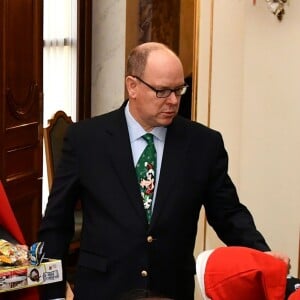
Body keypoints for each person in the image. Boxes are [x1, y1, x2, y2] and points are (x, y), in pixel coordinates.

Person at [38, 42, 290, 300]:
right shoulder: (86, 139)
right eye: (162, 91)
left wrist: (262, 256)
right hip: (104, 289)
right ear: (132, 86)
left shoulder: (203, 144)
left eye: (178, 90)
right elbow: (56, 222)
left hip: (171, 288)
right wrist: (52, 291)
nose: (173, 101)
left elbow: (228, 214)